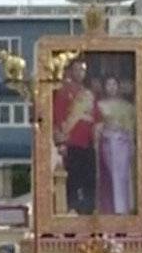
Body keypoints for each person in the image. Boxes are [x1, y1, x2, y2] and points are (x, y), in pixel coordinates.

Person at [52, 61, 100, 215]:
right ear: (71, 71)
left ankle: (88, 208)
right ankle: (72, 207)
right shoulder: (64, 92)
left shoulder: (88, 94)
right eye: (77, 69)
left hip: (88, 141)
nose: (80, 73)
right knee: (73, 177)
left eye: (83, 70)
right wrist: (62, 142)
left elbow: (96, 117)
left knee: (89, 177)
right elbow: (59, 117)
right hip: (72, 142)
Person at [96, 74, 135, 215]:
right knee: (109, 176)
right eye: (108, 84)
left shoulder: (127, 106)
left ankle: (123, 208)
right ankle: (109, 208)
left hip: (122, 143)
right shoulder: (100, 105)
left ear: (118, 87)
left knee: (122, 176)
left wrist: (131, 144)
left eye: (114, 84)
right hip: (107, 142)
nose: (111, 87)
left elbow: (130, 128)